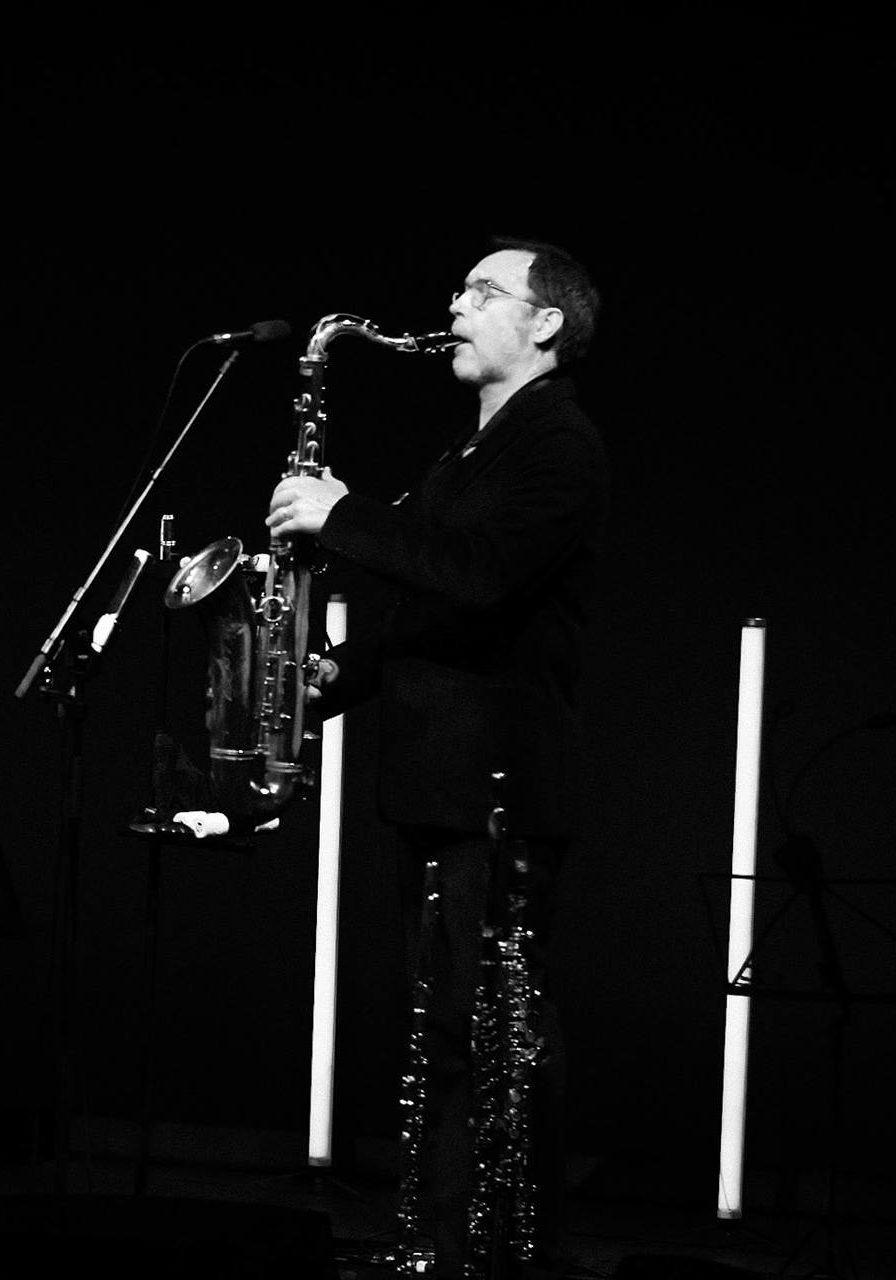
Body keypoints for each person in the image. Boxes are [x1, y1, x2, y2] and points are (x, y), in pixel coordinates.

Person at [267, 237, 606, 1277]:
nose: (453, 306)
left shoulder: (558, 444)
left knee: (496, 1043)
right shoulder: (465, 453)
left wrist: (343, 515)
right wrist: (330, 684)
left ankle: (510, 1258)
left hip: (496, 790)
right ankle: (448, 1247)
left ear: (546, 322)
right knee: (452, 1043)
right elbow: (426, 607)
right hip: (437, 785)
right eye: (458, 289)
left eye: (482, 292)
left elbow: (481, 576)